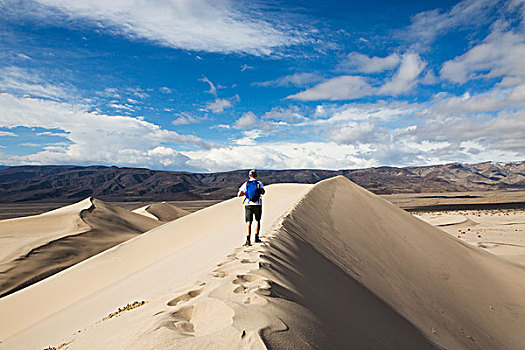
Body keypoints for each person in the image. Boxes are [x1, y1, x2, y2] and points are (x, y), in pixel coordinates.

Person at [237, 169, 265, 246]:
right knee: (257, 220)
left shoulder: (246, 184)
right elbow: (263, 192)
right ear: (256, 175)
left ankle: (248, 240)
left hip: (248, 204)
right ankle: (256, 237)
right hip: (257, 204)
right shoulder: (259, 183)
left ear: (249, 175)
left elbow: (239, 194)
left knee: (248, 222)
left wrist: (246, 194)